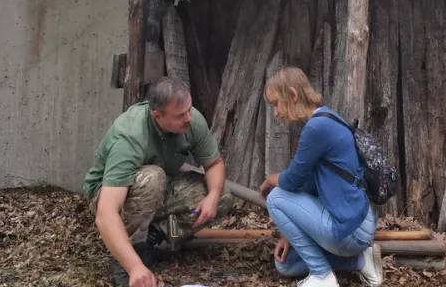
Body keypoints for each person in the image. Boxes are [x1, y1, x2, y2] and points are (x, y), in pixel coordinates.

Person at [82, 77, 234, 287]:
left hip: (158, 190)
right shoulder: (130, 136)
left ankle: (152, 238)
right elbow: (105, 213)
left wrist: (213, 197)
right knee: (152, 178)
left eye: (190, 110)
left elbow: (214, 164)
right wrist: (134, 268)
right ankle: (127, 256)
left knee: (223, 195)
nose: (189, 118)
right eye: (181, 115)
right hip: (109, 195)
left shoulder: (191, 119)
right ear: (157, 116)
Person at [259, 66, 383, 287]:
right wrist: (289, 233)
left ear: (293, 95)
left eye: (276, 104)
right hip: (357, 222)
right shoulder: (327, 118)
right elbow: (307, 185)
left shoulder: (317, 128)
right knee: (285, 265)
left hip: (351, 228)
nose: (276, 112)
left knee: (275, 197)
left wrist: (270, 179)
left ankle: (322, 276)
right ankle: (361, 260)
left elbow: (292, 181)